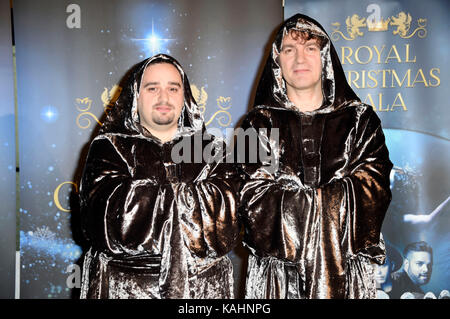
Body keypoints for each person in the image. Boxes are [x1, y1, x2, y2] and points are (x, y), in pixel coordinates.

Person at [238, 14, 393, 299]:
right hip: (279, 278)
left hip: (347, 273)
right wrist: (334, 198)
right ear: (277, 61)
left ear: (325, 57)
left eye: (310, 48)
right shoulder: (258, 124)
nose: (300, 58)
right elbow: (253, 197)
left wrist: (296, 201)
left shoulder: (360, 120)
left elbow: (375, 188)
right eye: (289, 49)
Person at [79, 54, 240, 299]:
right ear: (136, 95)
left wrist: (146, 201)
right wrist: (192, 200)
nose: (164, 97)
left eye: (173, 88)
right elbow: (105, 218)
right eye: (152, 88)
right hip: (127, 291)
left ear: (184, 96)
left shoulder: (212, 148)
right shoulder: (109, 147)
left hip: (202, 293)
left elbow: (226, 219)